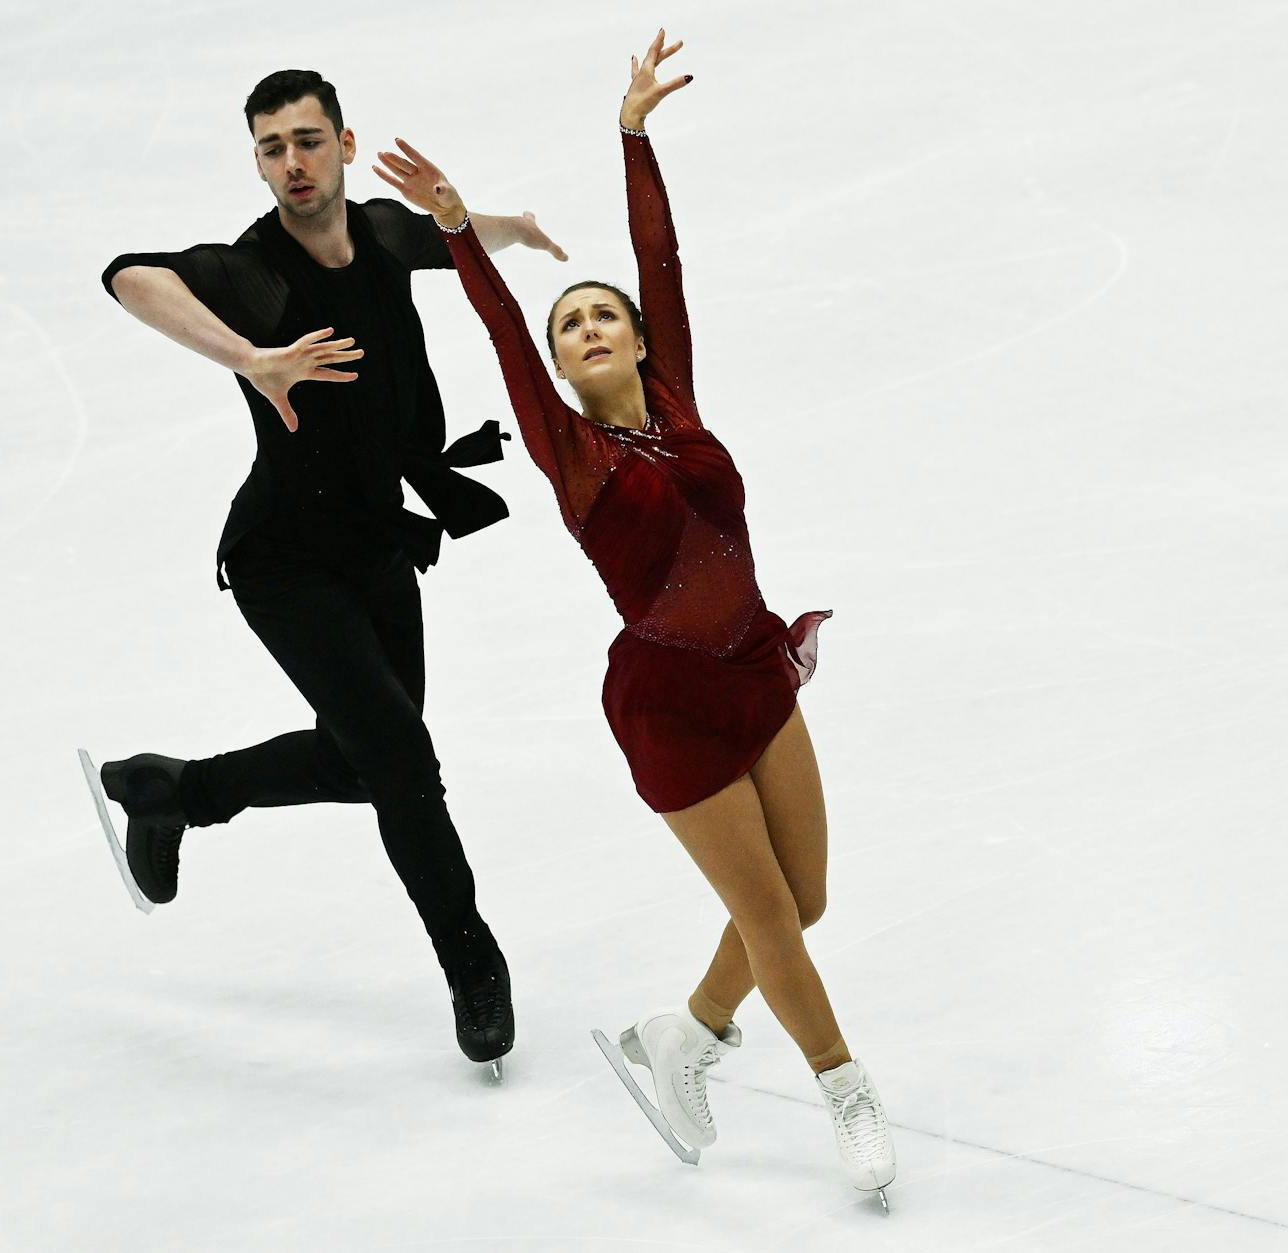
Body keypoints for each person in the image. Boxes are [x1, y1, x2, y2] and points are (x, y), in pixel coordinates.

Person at [373, 31, 897, 1195]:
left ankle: (688, 1033)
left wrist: (632, 134)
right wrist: (459, 229)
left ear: (641, 338)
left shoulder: (676, 393)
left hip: (756, 667)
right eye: (572, 325)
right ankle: (847, 1093)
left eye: (604, 313)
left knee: (801, 900)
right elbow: (501, 327)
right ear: (558, 367)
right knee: (769, 912)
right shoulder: (570, 450)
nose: (589, 325)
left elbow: (660, 259)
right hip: (667, 702)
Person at [91, 69, 567, 1073]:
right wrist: (247, 359)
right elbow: (131, 275)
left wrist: (501, 225)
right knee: (402, 759)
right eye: (271, 147)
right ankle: (471, 962)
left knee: (365, 760)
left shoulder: (384, 231)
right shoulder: (256, 275)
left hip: (376, 545)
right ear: (256, 160)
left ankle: (176, 790)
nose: (292, 164)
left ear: (345, 144)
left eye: (308, 141)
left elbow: (442, 237)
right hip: (284, 560)